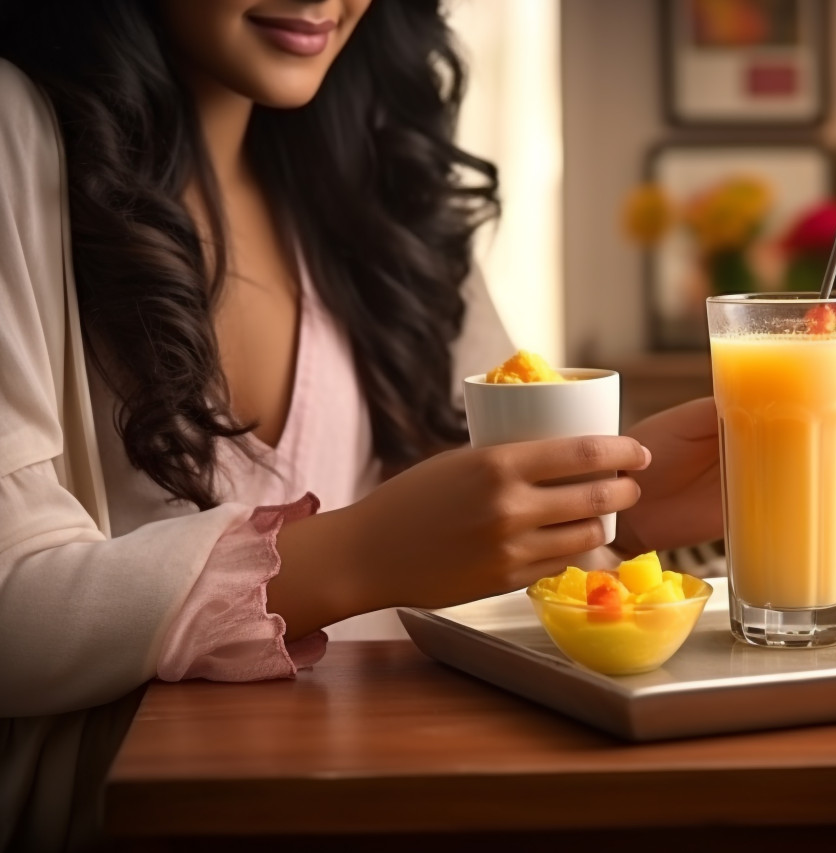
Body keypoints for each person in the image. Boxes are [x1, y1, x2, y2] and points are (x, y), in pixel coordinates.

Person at [0, 1, 722, 849]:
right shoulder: (18, 135)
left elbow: (473, 509)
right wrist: (359, 554)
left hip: (386, 795)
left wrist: (611, 508)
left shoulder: (386, 192)